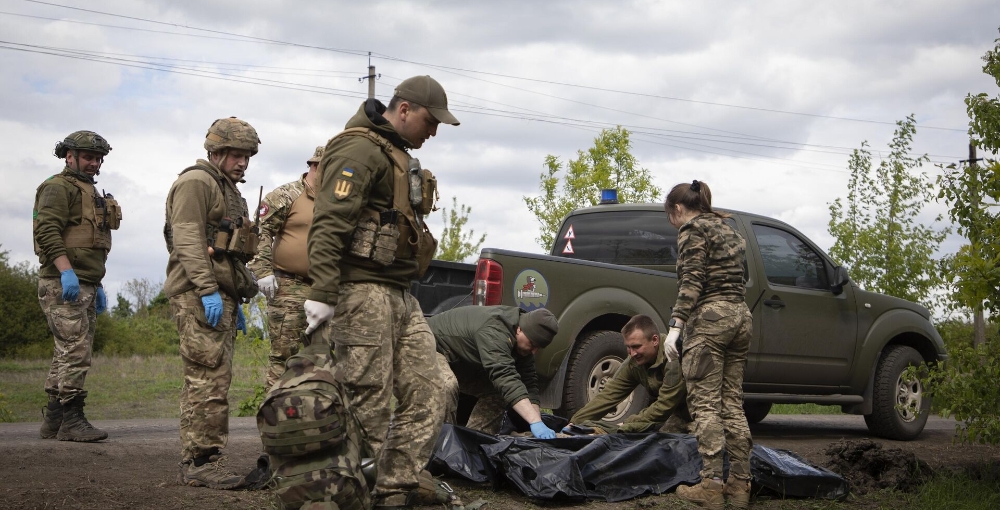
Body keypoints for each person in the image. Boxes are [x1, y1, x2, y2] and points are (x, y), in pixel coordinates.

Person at [303, 75, 460, 508]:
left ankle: (396, 486)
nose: (433, 132)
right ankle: (352, 493)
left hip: (399, 293)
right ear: (404, 109)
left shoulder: (395, 154)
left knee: (435, 385)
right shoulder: (359, 148)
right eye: (430, 121)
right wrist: (322, 290)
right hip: (361, 291)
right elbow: (330, 222)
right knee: (366, 399)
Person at [164, 117, 262, 489]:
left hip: (221, 294)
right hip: (198, 293)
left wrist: (238, 293)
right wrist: (206, 290)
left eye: (247, 156)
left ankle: (200, 459)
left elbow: (230, 249)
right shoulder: (197, 182)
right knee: (206, 380)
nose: (242, 163)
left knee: (212, 378)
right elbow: (186, 239)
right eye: (236, 155)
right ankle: (203, 461)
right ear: (216, 151)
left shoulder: (227, 189)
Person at [666, 180, 753, 510]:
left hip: (711, 320)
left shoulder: (692, 229)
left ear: (678, 209)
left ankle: (711, 486)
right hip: (741, 317)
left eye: (670, 216)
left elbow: (692, 280)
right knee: (732, 400)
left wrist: (676, 327)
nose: (673, 224)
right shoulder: (729, 228)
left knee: (705, 404)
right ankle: (740, 485)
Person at [34, 130, 120, 443]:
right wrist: (66, 271)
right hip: (63, 281)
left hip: (85, 282)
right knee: (75, 350)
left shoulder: (90, 191)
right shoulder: (58, 187)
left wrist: (94, 283)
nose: (94, 163)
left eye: (98, 158)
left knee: (66, 352)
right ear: (69, 156)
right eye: (88, 157)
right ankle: (72, 421)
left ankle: (54, 421)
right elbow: (47, 231)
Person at [249, 145, 324, 389]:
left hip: (324, 289)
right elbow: (260, 230)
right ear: (314, 166)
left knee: (322, 357)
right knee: (284, 356)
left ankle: (309, 417)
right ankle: (274, 419)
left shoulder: (337, 201)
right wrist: (263, 271)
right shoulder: (286, 195)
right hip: (289, 287)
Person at [429, 306, 560, 438]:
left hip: (459, 359)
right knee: (446, 385)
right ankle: (440, 444)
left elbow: (529, 384)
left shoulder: (523, 342)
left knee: (498, 392)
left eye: (538, 347)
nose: (533, 351)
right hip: (429, 346)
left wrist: (537, 422)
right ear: (519, 329)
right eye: (532, 344)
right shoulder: (495, 330)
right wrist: (534, 421)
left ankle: (474, 442)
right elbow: (504, 376)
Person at [564, 314, 690, 435]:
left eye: (636, 346)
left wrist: (626, 424)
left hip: (701, 409)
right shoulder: (633, 363)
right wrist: (575, 423)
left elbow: (665, 405)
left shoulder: (673, 357)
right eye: (628, 347)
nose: (632, 353)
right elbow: (609, 395)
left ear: (655, 340)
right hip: (677, 412)